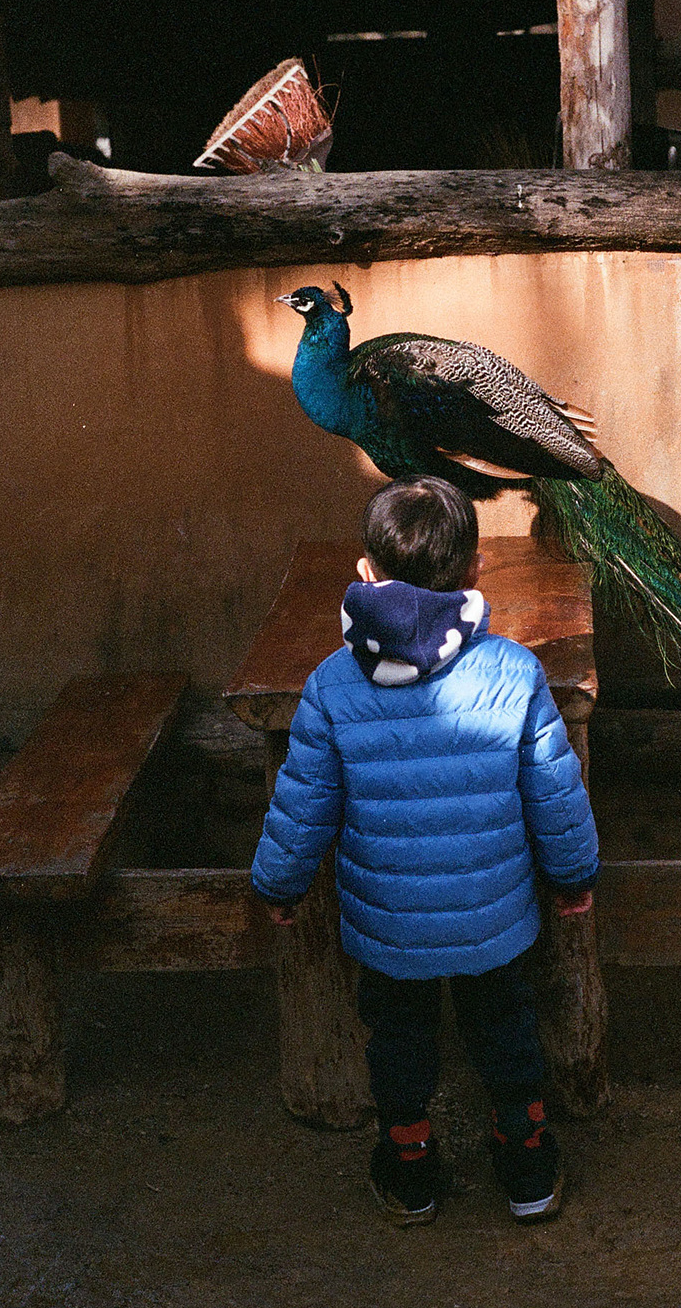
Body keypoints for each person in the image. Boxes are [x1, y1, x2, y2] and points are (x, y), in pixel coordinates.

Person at [251, 475, 599, 1227]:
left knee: (399, 1038)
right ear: (475, 569)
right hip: (491, 917)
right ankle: (527, 1162)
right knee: (505, 1027)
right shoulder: (515, 671)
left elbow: (302, 801)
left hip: (389, 921)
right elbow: (555, 790)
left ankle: (410, 1168)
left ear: (365, 571)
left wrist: (279, 885)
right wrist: (573, 875)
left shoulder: (331, 685)